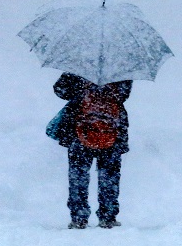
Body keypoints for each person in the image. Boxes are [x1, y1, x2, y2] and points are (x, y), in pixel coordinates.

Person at [53, 72, 132, 229]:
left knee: (78, 176)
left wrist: (81, 89)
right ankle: (108, 217)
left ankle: (78, 218)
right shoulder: (121, 68)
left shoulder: (79, 65)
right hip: (112, 130)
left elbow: (60, 90)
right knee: (109, 176)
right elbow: (123, 95)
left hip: (80, 130)